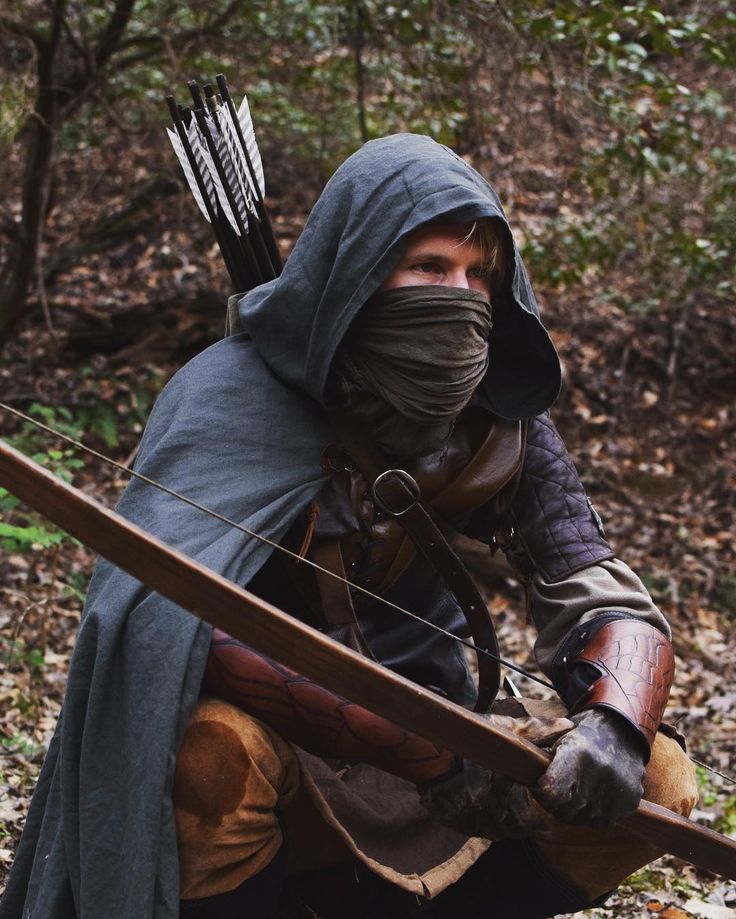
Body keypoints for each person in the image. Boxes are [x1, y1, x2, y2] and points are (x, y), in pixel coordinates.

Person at [0, 134, 698, 919]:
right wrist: (425, 752)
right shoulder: (226, 395)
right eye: (431, 268)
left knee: (658, 780)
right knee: (210, 754)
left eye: (479, 276)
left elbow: (595, 587)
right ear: (362, 272)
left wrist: (613, 722)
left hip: (452, 751)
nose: (460, 295)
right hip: (290, 759)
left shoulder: (499, 417)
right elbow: (166, 624)